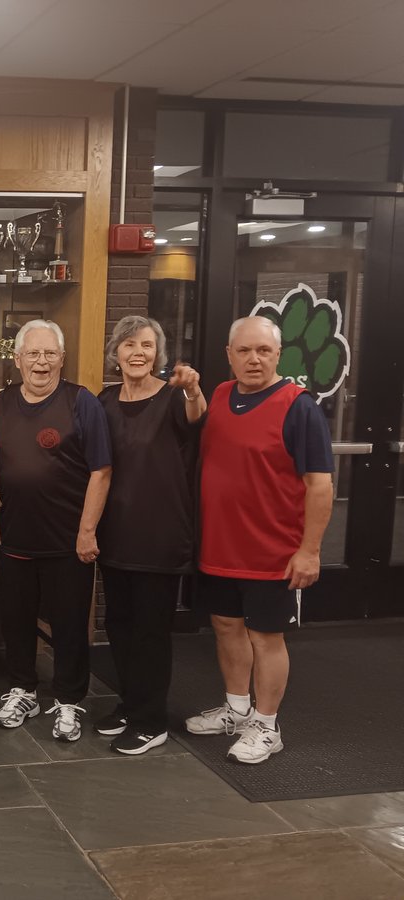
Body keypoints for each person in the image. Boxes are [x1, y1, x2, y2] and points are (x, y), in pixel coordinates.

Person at [187, 315, 334, 764]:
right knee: (226, 627)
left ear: (278, 354)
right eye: (245, 351)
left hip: (273, 553)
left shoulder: (298, 406)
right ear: (229, 355)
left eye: (264, 351)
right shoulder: (221, 394)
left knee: (265, 637)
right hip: (219, 546)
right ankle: (236, 709)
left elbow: (320, 485)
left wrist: (309, 551)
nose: (254, 359)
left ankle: (267, 727)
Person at [0, 319, 111, 743]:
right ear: (17, 359)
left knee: (70, 623)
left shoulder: (82, 402)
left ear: (63, 358)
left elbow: (101, 470)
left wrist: (87, 530)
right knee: (16, 621)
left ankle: (69, 699)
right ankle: (23, 690)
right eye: (33, 354)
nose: (41, 362)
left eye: (50, 354)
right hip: (16, 536)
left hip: (68, 540)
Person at [94, 316, 205, 755]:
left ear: (157, 354)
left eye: (145, 345)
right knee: (118, 625)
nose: (137, 352)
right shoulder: (104, 400)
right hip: (115, 535)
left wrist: (193, 389)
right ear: (115, 353)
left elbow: (197, 418)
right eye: (128, 344)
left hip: (160, 537)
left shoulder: (176, 398)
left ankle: (151, 720)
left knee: (150, 632)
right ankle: (130, 703)